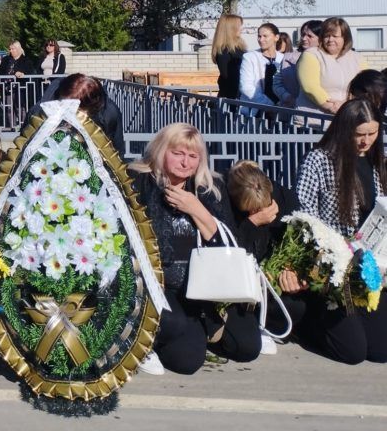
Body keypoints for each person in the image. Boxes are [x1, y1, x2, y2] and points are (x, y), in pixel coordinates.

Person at [128, 123, 260, 374]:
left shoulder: (209, 189)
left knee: (247, 346)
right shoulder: (138, 182)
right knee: (186, 362)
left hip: (206, 285)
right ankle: (143, 341)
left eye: (192, 156)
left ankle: (200, 329)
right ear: (161, 150)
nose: (185, 162)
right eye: (177, 153)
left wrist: (197, 210)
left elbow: (230, 244)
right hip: (159, 285)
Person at [295, 99, 387, 363]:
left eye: (372, 133)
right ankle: (307, 325)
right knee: (352, 352)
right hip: (333, 267)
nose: (365, 141)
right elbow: (304, 214)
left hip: (369, 265)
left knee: (380, 351)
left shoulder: (375, 162)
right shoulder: (320, 160)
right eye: (359, 134)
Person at [226, 161, 305, 352]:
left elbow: (299, 240)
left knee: (297, 306)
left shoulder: (286, 200)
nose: (259, 212)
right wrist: (252, 223)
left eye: (262, 207)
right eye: (251, 210)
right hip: (239, 283)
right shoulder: (226, 205)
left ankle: (268, 326)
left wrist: (291, 269)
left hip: (271, 280)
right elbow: (229, 250)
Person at [296, 17, 367, 114]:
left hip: (349, 116)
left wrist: (349, 104)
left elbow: (366, 85)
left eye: (335, 36)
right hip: (315, 120)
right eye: (326, 36)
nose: (330, 40)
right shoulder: (311, 55)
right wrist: (332, 107)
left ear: (345, 37)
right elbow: (310, 87)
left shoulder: (358, 58)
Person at [51, 74, 127, 160]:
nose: (67, 112)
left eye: (73, 108)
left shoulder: (109, 114)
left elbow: (117, 153)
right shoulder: (49, 105)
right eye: (62, 104)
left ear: (89, 106)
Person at [239, 23, 289, 106]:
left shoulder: (283, 58)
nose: (261, 40)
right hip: (255, 111)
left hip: (280, 110)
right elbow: (246, 87)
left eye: (265, 36)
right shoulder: (249, 57)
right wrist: (269, 105)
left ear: (276, 37)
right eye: (259, 36)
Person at [274, 20, 321, 108]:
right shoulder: (287, 58)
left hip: (316, 113)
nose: (304, 38)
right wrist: (287, 97)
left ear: (320, 38)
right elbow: (277, 83)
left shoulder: (327, 59)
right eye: (303, 34)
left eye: (309, 36)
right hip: (289, 111)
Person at [0, 40, 34, 127]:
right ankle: (11, 127)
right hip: (6, 88)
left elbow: (30, 72)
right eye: (10, 49)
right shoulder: (5, 60)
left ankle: (23, 127)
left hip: (19, 89)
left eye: (13, 49)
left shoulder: (26, 60)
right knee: (8, 108)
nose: (10, 51)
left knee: (20, 108)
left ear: (18, 49)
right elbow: (0, 73)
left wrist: (23, 74)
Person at [212, 14, 246, 100]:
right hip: (232, 100)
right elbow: (230, 78)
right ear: (231, 29)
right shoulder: (224, 52)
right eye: (239, 26)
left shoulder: (238, 48)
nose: (242, 29)